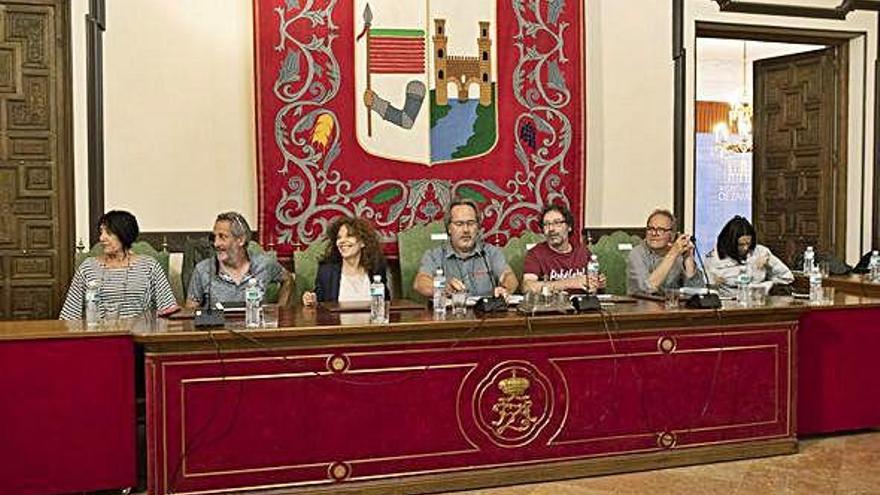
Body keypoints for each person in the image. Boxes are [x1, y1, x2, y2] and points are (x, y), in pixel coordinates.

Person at [60, 210, 178, 320]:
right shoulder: (88, 267)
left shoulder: (149, 266)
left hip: (139, 337)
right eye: (101, 232)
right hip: (100, 336)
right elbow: (69, 315)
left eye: (109, 233)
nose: (101, 238)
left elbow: (168, 311)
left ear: (124, 234)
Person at [414, 198, 518, 298]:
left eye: (471, 223)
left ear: (477, 227)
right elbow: (421, 282)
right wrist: (443, 288)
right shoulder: (434, 255)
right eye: (459, 224)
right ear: (449, 228)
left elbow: (508, 277)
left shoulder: (491, 253)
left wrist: (505, 289)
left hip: (485, 314)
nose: (466, 230)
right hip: (450, 314)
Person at [186, 211, 291, 308]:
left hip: (254, 325)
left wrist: (280, 310)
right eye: (214, 237)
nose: (216, 243)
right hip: (218, 327)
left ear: (240, 240)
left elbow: (288, 280)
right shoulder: (203, 269)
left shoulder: (264, 264)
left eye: (222, 237)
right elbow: (190, 310)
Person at [301, 216, 389, 306]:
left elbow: (385, 302)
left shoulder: (376, 268)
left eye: (349, 236)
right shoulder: (327, 271)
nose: (342, 241)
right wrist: (312, 299)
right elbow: (320, 299)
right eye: (339, 238)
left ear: (363, 242)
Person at [522, 204, 606, 294]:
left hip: (582, 305)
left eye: (557, 223)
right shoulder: (536, 254)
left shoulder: (582, 252)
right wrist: (570, 283)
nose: (551, 229)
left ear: (569, 227)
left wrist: (599, 282)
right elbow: (528, 287)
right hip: (552, 306)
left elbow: (595, 280)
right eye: (546, 224)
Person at [704, 215, 793, 296]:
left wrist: (770, 264)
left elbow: (787, 277)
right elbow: (706, 287)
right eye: (741, 245)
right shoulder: (714, 258)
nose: (746, 248)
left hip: (758, 302)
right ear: (730, 242)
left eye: (748, 243)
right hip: (729, 304)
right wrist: (713, 281)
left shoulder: (761, 252)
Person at [627, 208, 705, 295]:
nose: (654, 233)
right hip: (643, 307)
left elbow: (697, 291)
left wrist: (688, 258)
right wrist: (673, 253)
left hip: (674, 307)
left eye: (661, 230)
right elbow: (646, 289)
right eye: (651, 229)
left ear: (672, 235)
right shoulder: (637, 253)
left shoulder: (678, 256)